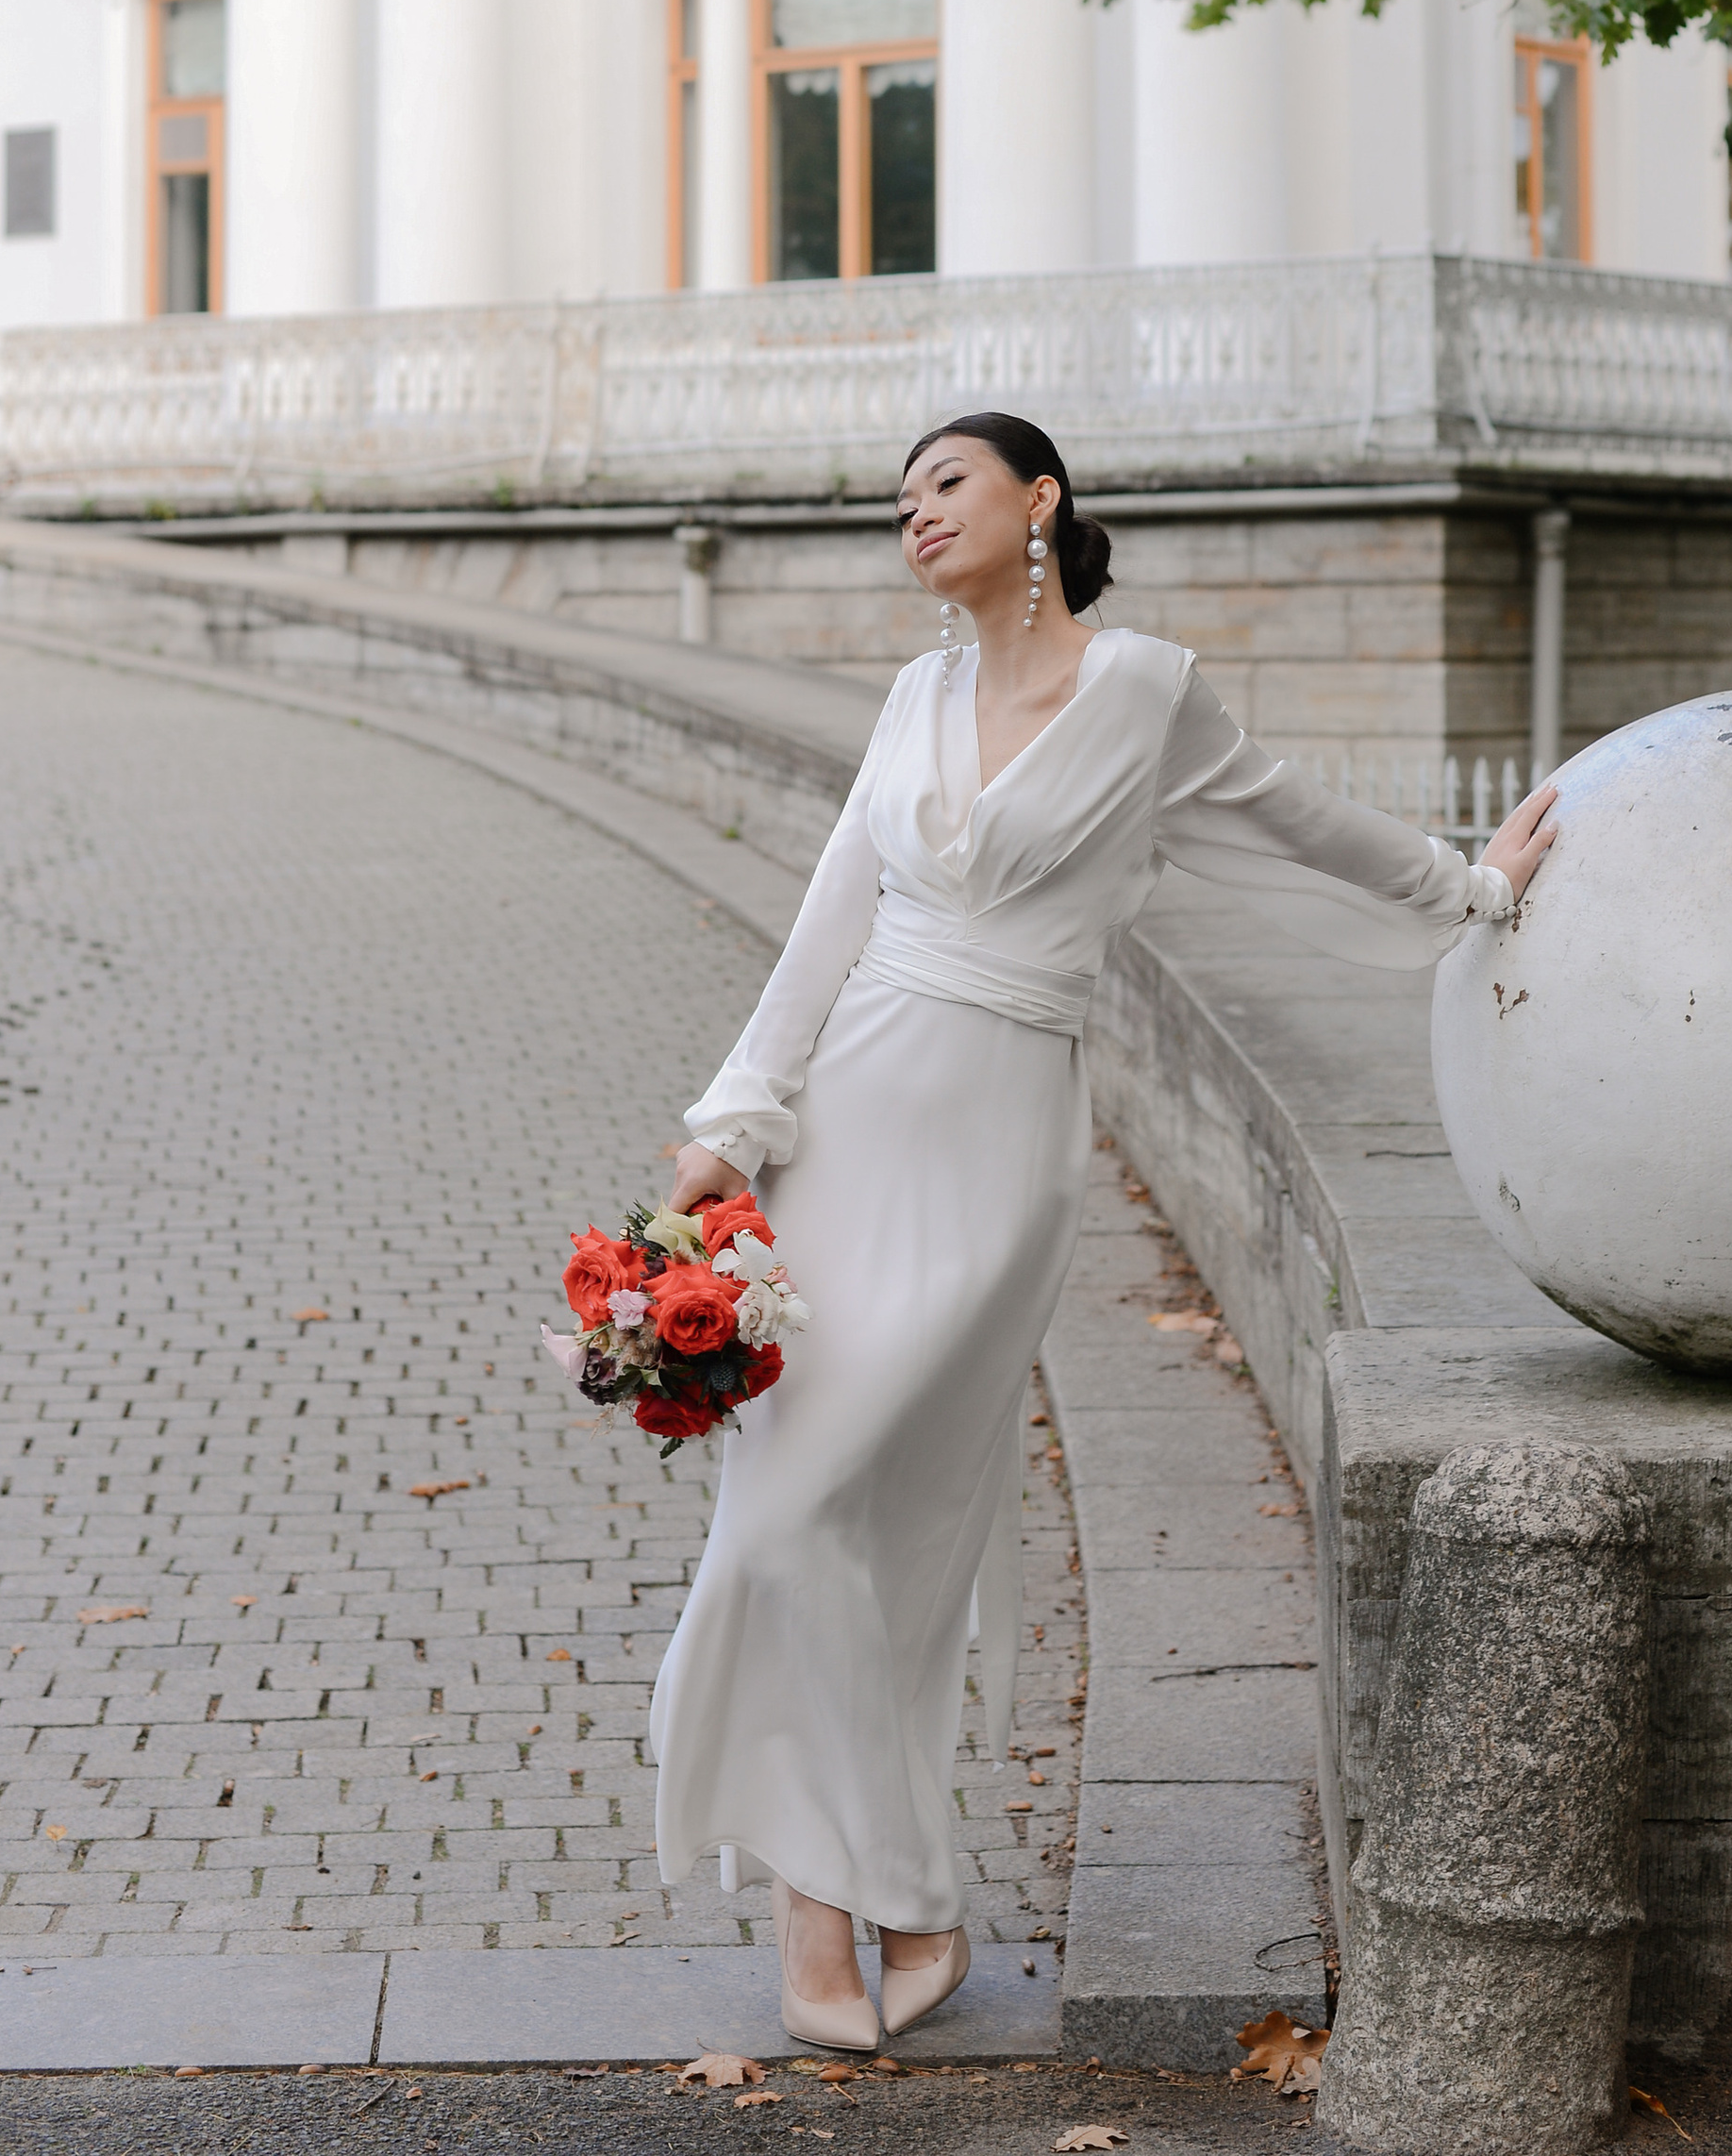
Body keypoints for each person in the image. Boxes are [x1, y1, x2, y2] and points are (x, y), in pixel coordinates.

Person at [647, 410, 1557, 2050]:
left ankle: (894, 1888)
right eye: (899, 498)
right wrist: (734, 1124)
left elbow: (1293, 824)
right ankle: (845, 1894)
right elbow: (828, 919)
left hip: (1002, 1146)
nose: (914, 513)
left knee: (900, 1517)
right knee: (784, 1514)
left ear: (1038, 500)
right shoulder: (911, 699)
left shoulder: (1145, 690)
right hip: (849, 1118)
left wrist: (1468, 889)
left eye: (947, 482)